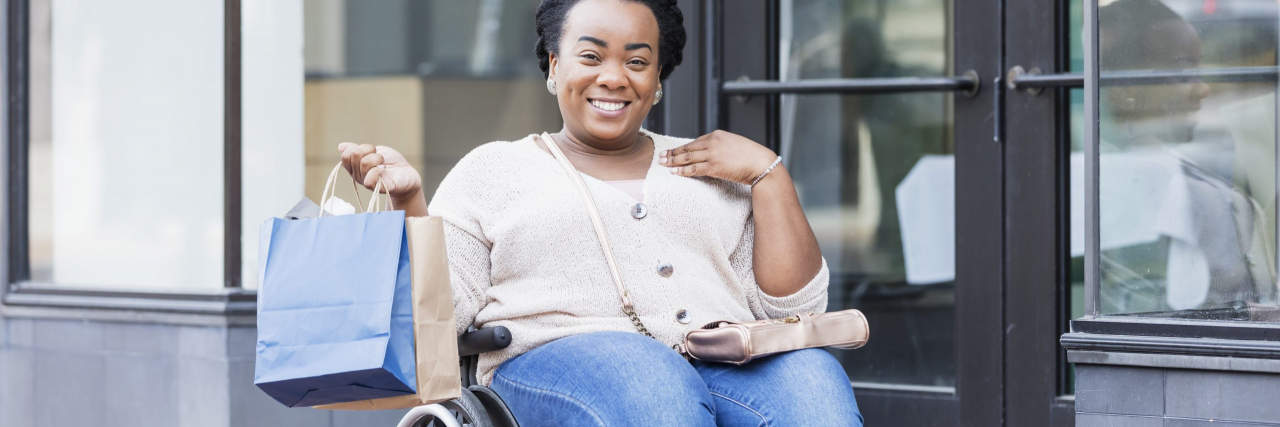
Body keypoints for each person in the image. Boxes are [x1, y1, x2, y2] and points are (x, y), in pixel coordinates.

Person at [337, 0, 863, 425]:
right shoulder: (494, 169)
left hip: (723, 360)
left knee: (810, 376)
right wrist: (409, 204)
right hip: (552, 365)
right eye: (591, 57)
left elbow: (794, 310)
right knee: (646, 377)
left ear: (657, 79)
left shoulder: (713, 165)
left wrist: (770, 174)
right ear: (553, 64)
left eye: (636, 62)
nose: (613, 78)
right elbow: (435, 319)